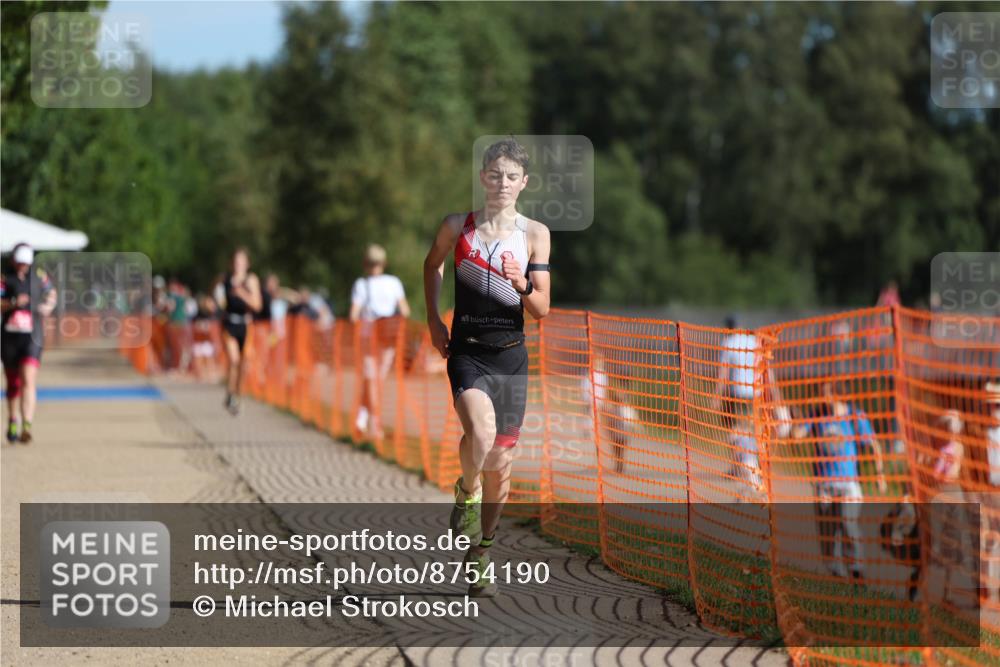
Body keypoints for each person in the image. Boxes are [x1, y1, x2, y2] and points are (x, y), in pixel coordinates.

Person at [423, 137, 551, 597]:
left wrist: (522, 284)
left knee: (503, 461)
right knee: (480, 432)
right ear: (482, 178)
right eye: (494, 174)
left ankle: (482, 553)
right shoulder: (458, 226)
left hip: (512, 355)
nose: (502, 183)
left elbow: (542, 309)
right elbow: (432, 265)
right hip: (468, 351)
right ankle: (467, 491)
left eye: (511, 176)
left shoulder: (535, 234)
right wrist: (435, 319)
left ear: (524, 184)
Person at [793, 380, 887, 580]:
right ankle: (836, 575)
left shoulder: (854, 417)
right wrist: (793, 421)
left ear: (837, 393)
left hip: (848, 484)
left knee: (847, 522)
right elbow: (798, 435)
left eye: (826, 392)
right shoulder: (818, 414)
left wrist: (880, 474)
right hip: (824, 484)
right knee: (828, 531)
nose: (823, 397)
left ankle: (857, 569)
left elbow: (874, 445)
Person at [349, 244, 410, 441]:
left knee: (371, 379)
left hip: (368, 336)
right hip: (388, 337)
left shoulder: (361, 284)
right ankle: (366, 419)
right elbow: (405, 311)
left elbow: (353, 315)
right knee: (377, 380)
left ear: (365, 263)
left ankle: (367, 418)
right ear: (383, 263)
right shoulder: (394, 282)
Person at [1, 243, 56, 444]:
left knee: (28, 379)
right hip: (9, 338)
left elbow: (52, 294)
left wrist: (46, 306)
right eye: (20, 262)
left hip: (32, 337)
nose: (23, 266)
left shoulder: (39, 276)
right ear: (14, 260)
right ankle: (12, 419)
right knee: (13, 383)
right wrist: (13, 303)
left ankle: (27, 425)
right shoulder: (5, 279)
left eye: (26, 263)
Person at [214, 248, 262, 415]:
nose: (238, 264)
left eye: (241, 261)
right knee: (233, 360)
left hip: (246, 325)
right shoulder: (225, 280)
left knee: (244, 364)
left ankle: (238, 395)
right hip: (229, 324)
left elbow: (257, 305)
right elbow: (216, 299)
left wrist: (242, 293)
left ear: (247, 264)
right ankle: (230, 393)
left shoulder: (251, 280)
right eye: (235, 261)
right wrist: (212, 304)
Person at [581, 355, 634, 474]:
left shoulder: (605, 376)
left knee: (617, 439)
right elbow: (585, 394)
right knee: (601, 436)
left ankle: (618, 462)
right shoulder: (589, 376)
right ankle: (602, 460)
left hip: (606, 410)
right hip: (596, 409)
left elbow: (611, 395)